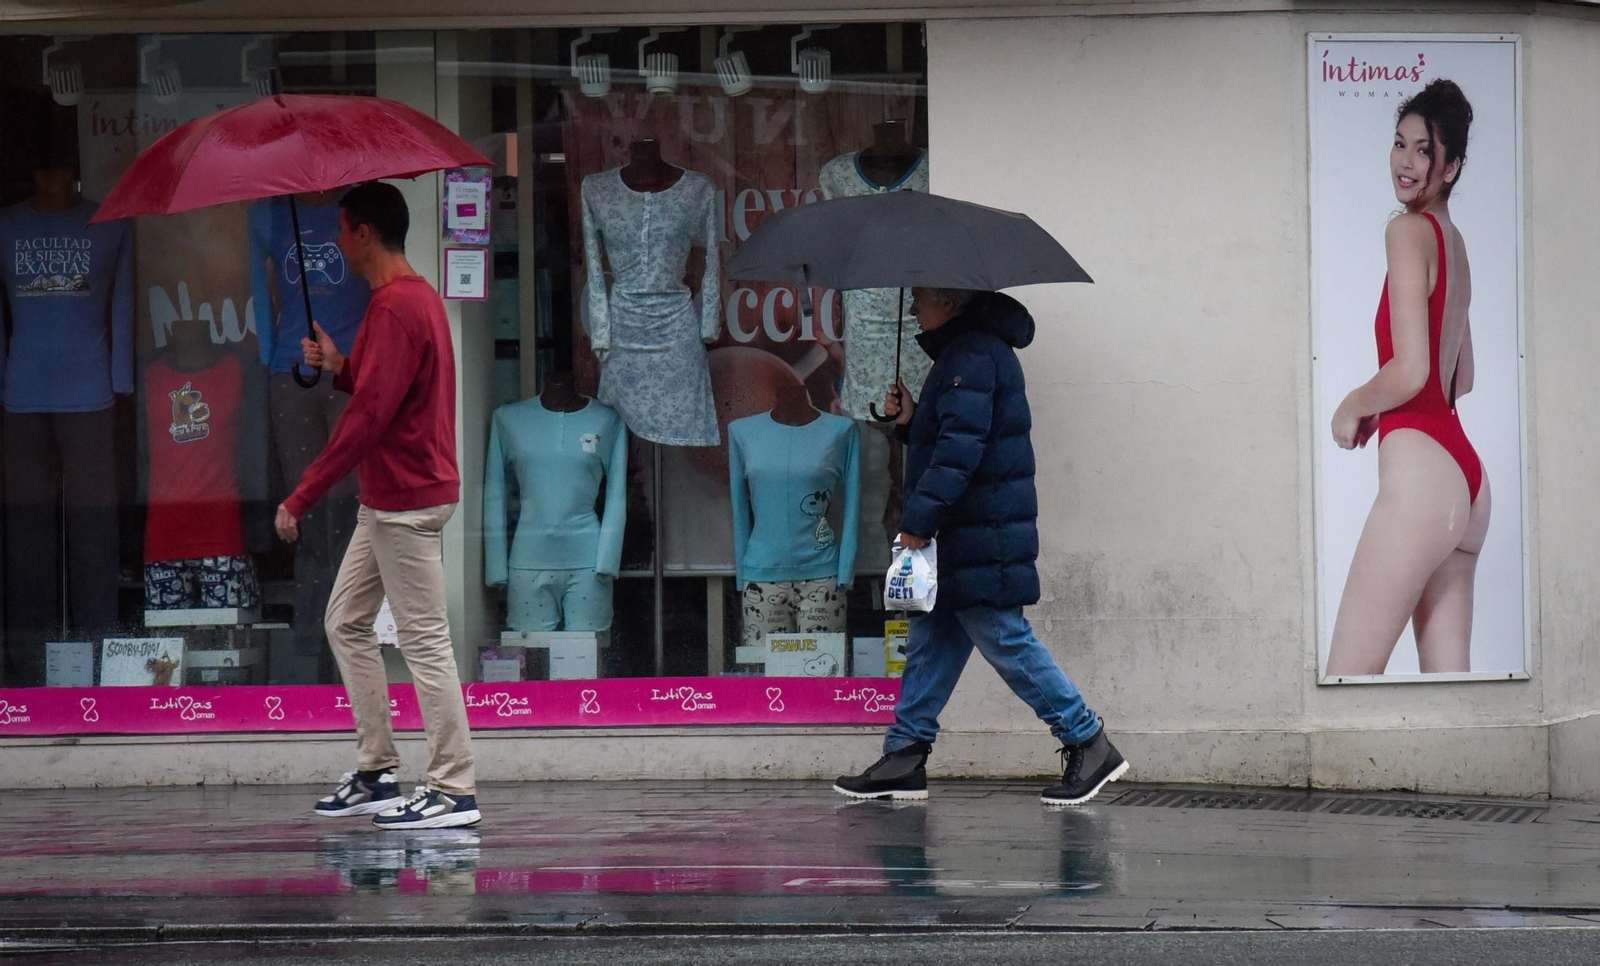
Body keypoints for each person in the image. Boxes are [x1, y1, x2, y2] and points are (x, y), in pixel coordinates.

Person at [833, 287, 1128, 805]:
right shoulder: (967, 353)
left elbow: (959, 450)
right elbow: (956, 434)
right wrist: (911, 420)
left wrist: (919, 521)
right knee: (930, 642)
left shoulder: (971, 354)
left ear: (948, 300)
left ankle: (1087, 739)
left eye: (919, 297)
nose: (913, 307)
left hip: (979, 533)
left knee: (1004, 638)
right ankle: (904, 755)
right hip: (969, 533)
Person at [275, 181, 480, 829]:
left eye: (342, 229)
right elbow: (383, 388)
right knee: (347, 623)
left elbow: (368, 417)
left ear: (363, 234)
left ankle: (454, 789)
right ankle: (376, 769)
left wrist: (301, 495)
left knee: (424, 642)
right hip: (391, 498)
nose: (337, 242)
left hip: (404, 503)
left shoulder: (395, 307)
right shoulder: (408, 301)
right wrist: (340, 364)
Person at [1326, 80, 1488, 676]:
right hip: (1467, 484)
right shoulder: (1455, 242)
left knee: (1345, 682)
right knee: (1451, 698)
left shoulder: (1406, 232)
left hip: (1423, 479)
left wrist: (1352, 404)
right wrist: (1387, 400)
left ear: (1451, 167)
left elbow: (1413, 370)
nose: (1406, 161)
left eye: (1425, 150)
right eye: (1401, 144)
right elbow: (1460, 377)